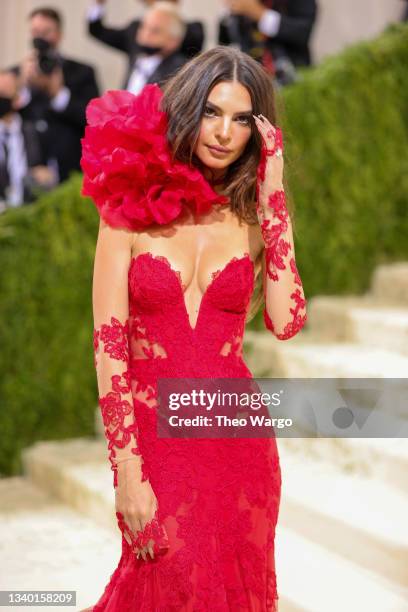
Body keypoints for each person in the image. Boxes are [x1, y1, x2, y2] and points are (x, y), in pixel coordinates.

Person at [80, 45, 307, 610]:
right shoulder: (126, 208)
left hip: (239, 443)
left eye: (240, 120)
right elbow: (109, 348)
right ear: (187, 110)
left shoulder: (254, 219)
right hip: (156, 444)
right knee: (163, 583)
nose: (224, 133)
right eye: (212, 111)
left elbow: (286, 321)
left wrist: (274, 199)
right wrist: (126, 470)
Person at [16, 7, 100, 183]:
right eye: (36, 32)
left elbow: (93, 119)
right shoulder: (16, 74)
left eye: (46, 32)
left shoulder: (82, 72)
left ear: (59, 34)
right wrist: (22, 86)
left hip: (71, 171)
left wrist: (58, 94)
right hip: (27, 168)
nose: (41, 38)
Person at [87, 0, 203, 90]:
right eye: (143, 27)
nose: (146, 34)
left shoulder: (181, 68)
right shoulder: (134, 34)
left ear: (174, 41)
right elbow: (97, 31)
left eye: (155, 31)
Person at [218, 0, 318, 85]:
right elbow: (226, 41)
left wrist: (259, 14)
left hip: (291, 79)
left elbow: (302, 32)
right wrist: (229, 12)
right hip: (250, 78)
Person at [0, 69, 56, 211]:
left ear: (17, 99)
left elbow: (50, 172)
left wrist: (46, 176)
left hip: (30, 213)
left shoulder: (34, 132)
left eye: (5, 94)